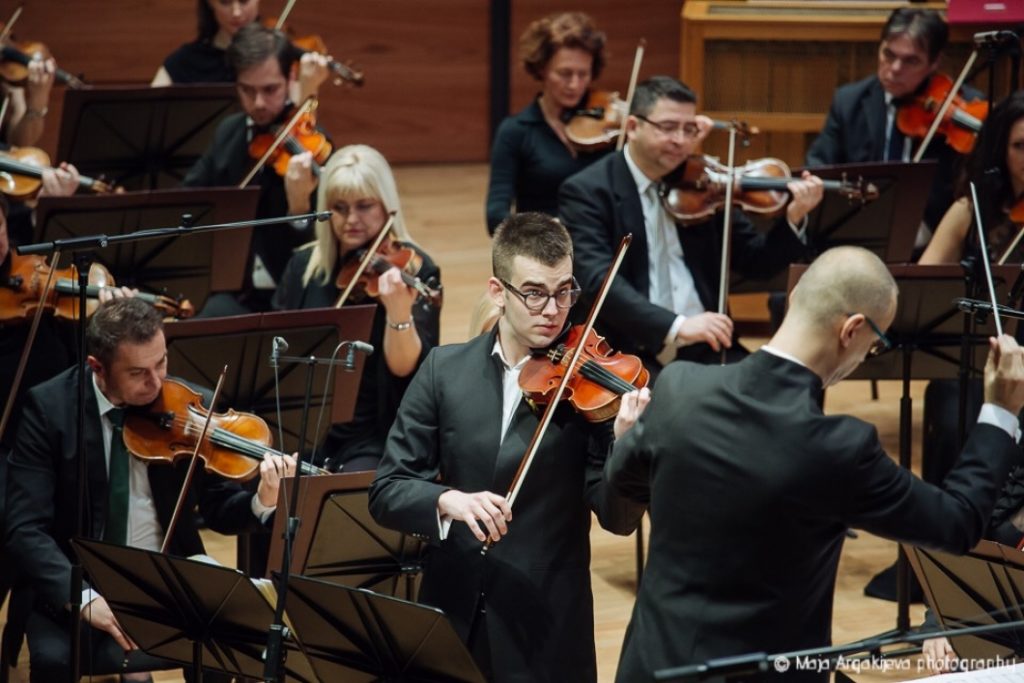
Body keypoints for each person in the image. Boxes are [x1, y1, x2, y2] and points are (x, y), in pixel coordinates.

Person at [606, 246, 1024, 682]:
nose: (868, 355)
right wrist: (1000, 412)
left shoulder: (679, 387)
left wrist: (626, 440)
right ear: (852, 330)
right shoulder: (839, 448)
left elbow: (618, 491)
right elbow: (956, 523)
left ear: (794, 300)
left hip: (652, 665)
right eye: (876, 343)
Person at [368, 212, 649, 683]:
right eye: (535, 293)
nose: (553, 310)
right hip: (451, 616)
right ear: (498, 292)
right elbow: (387, 489)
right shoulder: (443, 370)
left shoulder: (591, 394)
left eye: (565, 292)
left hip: (545, 625)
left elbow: (619, 522)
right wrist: (447, 500)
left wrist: (626, 446)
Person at [4, 297, 297, 681]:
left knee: (230, 643)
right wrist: (85, 598)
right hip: (79, 579)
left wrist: (263, 500)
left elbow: (220, 509)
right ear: (98, 368)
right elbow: (24, 527)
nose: (157, 383)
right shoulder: (50, 409)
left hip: (165, 577)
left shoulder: (192, 409)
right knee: (55, 660)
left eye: (161, 363)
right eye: (138, 372)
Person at [559, 75, 822, 371]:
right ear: (633, 127)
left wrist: (793, 218)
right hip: (629, 353)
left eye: (689, 129)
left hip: (708, 346)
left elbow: (755, 261)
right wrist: (677, 326)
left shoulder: (702, 184)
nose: (681, 141)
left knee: (781, 396)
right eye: (668, 128)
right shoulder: (587, 190)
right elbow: (598, 282)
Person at [272, 144, 441, 472]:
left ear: (387, 206)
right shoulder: (303, 266)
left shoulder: (417, 270)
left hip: (374, 434)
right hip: (303, 428)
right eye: (339, 207)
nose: (351, 219)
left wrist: (398, 313)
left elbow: (407, 371)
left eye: (365, 206)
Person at [183, 22, 325, 315]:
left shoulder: (312, 147)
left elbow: (319, 254)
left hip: (290, 295)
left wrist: (299, 208)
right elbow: (188, 198)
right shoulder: (229, 133)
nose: (259, 103)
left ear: (291, 78)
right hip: (231, 290)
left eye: (270, 89)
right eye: (247, 90)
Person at [806, 7, 972, 234]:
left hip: (935, 238)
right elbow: (818, 166)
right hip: (859, 228)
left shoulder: (964, 111)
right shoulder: (849, 102)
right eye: (888, 54)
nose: (894, 69)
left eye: (911, 61)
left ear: (934, 63)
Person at [485, 11, 610, 235]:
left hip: (601, 239)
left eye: (583, 74)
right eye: (564, 73)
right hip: (546, 248)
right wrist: (539, 234)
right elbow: (495, 213)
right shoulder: (515, 131)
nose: (574, 84)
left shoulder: (609, 125)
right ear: (542, 69)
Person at [152, 0, 329, 103]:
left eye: (244, 0)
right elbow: (147, 115)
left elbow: (299, 121)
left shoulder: (277, 54)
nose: (236, 12)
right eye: (225, 1)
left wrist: (309, 86)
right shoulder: (184, 61)